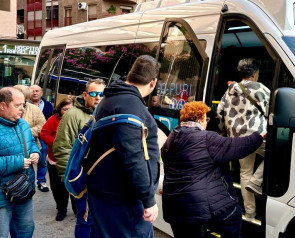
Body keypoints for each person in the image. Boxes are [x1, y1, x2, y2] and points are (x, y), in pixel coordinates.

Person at [161, 101, 264, 238]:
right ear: (200, 118)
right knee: (235, 215)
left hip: (174, 207)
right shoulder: (207, 138)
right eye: (206, 119)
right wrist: (258, 137)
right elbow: (235, 146)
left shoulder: (172, 137)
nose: (206, 123)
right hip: (200, 207)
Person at [85, 55, 160, 237]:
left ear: (130, 76)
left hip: (106, 191)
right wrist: (149, 199)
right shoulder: (132, 106)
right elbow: (132, 156)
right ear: (153, 83)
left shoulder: (110, 98)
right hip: (123, 199)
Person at [217, 58, 270, 220]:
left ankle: (250, 214)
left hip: (238, 141)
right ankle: (257, 181)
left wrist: (224, 130)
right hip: (259, 138)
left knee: (244, 173)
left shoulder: (229, 90)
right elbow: (272, 112)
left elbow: (219, 113)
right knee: (278, 154)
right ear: (255, 74)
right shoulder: (261, 89)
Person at [53, 78, 105, 238]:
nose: (98, 97)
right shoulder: (73, 114)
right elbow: (61, 148)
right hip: (83, 180)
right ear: (85, 94)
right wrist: (73, 180)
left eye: (102, 94)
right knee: (85, 219)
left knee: (98, 221)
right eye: (94, 93)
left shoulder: (105, 113)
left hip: (100, 182)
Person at [0, 87, 40, 238]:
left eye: (24, 105)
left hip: (23, 190)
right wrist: (17, 162)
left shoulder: (23, 124)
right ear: (2, 105)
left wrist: (35, 152)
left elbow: (31, 143)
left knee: (25, 231)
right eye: (18, 106)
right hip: (1, 197)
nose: (22, 109)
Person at [40, 98, 75, 221]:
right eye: (65, 109)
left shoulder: (78, 120)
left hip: (74, 161)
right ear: (59, 110)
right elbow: (43, 134)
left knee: (75, 186)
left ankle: (77, 209)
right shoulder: (53, 119)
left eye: (70, 109)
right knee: (58, 187)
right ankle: (61, 209)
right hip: (55, 160)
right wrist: (58, 143)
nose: (68, 112)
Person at [14, 85, 49, 193]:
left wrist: (26, 132)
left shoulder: (34, 109)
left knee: (40, 162)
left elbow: (42, 126)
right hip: (13, 148)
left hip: (32, 142)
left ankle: (39, 182)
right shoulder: (7, 110)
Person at [30, 85, 53, 192]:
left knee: (42, 160)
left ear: (41, 93)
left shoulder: (48, 106)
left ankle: (41, 182)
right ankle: (26, 183)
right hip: (29, 137)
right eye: (32, 91)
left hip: (42, 137)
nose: (35, 93)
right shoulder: (25, 105)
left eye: (37, 91)